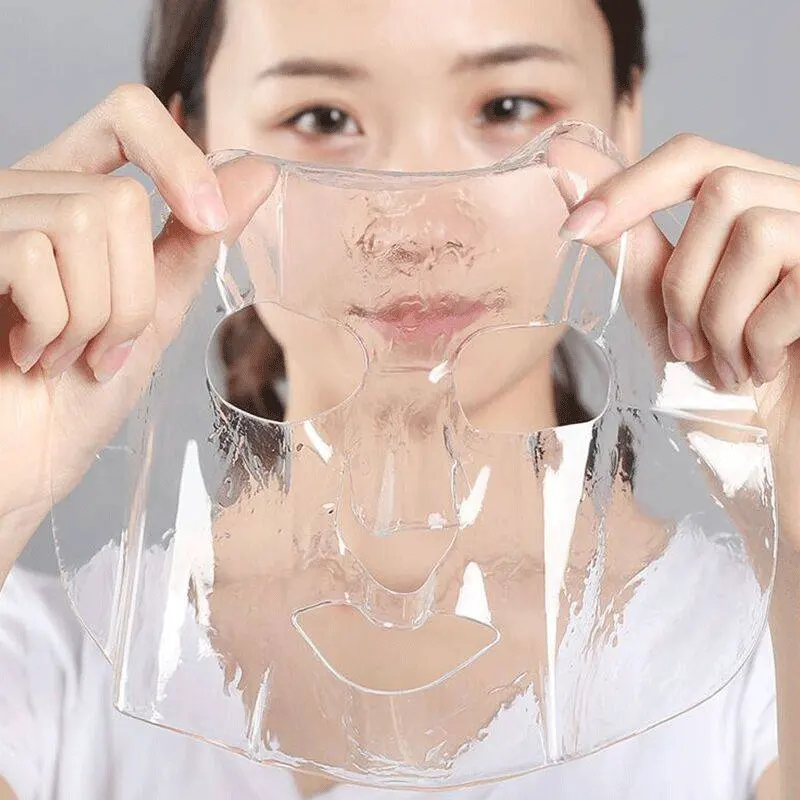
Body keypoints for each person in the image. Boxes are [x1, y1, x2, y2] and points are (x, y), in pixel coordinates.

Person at [0, 0, 798, 797]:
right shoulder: (51, 669)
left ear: (624, 127)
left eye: (508, 108)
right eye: (322, 116)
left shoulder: (759, 651)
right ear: (188, 148)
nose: (418, 224)